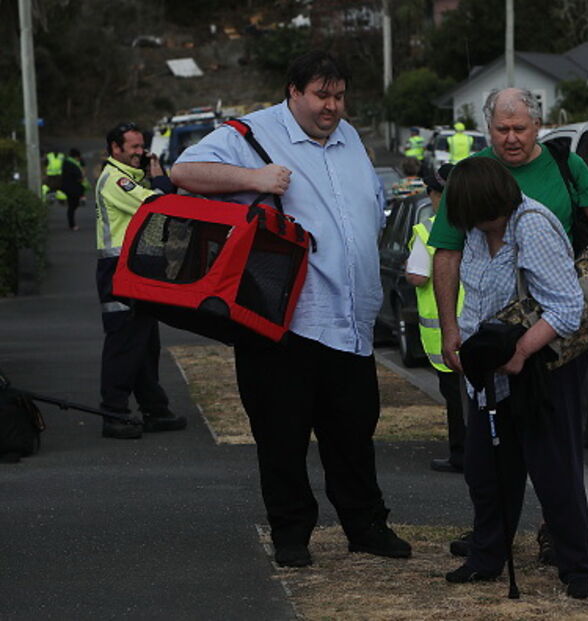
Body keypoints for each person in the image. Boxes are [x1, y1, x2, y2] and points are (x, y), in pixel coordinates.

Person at [170, 50, 412, 568]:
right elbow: (183, 171)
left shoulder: (350, 139)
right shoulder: (249, 134)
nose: (332, 106)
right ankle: (291, 534)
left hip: (349, 321)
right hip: (283, 320)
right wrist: (254, 180)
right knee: (281, 435)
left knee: (353, 432)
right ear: (293, 92)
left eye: (340, 95)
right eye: (322, 95)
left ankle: (366, 527)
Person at [429, 87, 588, 564]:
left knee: (554, 452)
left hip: (553, 337)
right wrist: (448, 329)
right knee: (489, 453)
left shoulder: (564, 168)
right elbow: (448, 250)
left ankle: (564, 544)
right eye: (501, 129)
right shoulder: (473, 176)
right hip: (494, 336)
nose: (511, 138)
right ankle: (491, 542)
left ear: (538, 126)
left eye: (520, 128)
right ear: (488, 129)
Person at [440, 157, 588, 599]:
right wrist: (459, 337)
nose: (468, 224)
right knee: (485, 470)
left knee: (554, 474)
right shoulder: (477, 230)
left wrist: (521, 351)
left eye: (472, 213)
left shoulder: (531, 227)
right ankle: (487, 557)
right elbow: (477, 295)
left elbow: (568, 307)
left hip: (542, 368)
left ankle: (579, 567)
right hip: (492, 371)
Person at [96, 122, 187, 439]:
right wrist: (159, 175)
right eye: (133, 147)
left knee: (145, 343)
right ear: (115, 148)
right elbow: (159, 205)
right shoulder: (115, 180)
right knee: (124, 342)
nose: (140, 152)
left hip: (135, 269)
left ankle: (155, 410)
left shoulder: (130, 178)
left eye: (141, 145)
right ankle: (114, 413)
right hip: (119, 270)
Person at [404, 163, 464, 473]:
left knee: (455, 401)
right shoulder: (476, 224)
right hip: (478, 329)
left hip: (446, 334)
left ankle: (461, 456)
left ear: (435, 195)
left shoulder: (428, 229)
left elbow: (416, 276)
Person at [61, 148, 86, 231]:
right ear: (76, 157)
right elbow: (79, 177)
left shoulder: (66, 162)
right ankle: (72, 225)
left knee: (72, 206)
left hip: (67, 186)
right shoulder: (72, 164)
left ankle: (72, 224)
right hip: (72, 188)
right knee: (72, 206)